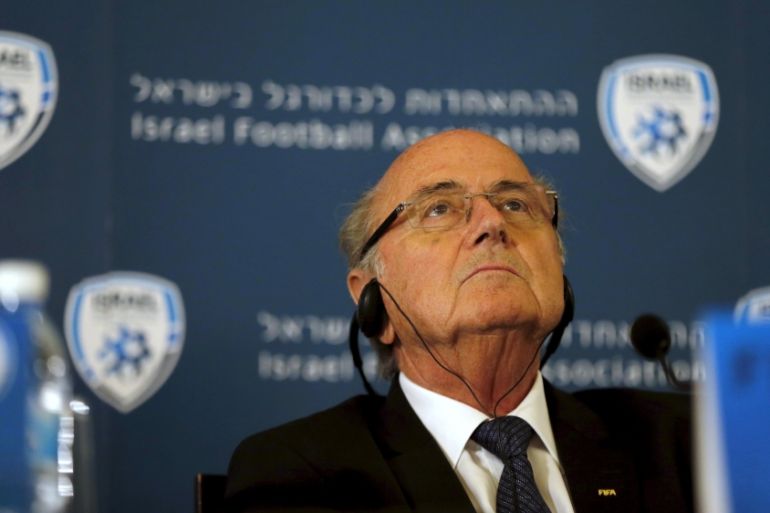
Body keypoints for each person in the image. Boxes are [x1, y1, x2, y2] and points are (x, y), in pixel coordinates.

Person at [224, 129, 692, 513]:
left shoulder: (683, 444)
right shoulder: (301, 472)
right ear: (373, 299)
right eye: (439, 209)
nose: (492, 224)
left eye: (515, 204)